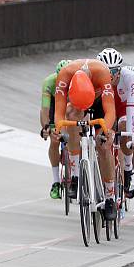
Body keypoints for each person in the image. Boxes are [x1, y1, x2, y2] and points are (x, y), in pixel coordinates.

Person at [54, 58, 118, 220]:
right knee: (71, 115)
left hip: (98, 102)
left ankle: (110, 196)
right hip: (75, 102)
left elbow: (110, 110)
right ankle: (75, 176)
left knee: (103, 145)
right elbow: (59, 112)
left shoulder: (102, 72)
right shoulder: (64, 75)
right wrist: (58, 129)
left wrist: (106, 131)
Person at [97, 47, 134, 195]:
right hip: (105, 107)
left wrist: (130, 134)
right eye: (107, 72)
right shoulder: (95, 77)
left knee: (124, 129)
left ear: (120, 70)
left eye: (114, 71)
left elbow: (132, 106)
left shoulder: (130, 77)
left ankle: (128, 169)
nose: (111, 76)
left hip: (123, 107)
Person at [39, 59, 72, 198]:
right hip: (54, 103)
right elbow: (45, 110)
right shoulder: (49, 83)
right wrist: (46, 128)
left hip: (71, 103)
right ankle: (56, 182)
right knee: (54, 140)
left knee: (73, 135)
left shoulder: (77, 82)